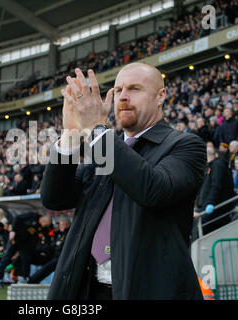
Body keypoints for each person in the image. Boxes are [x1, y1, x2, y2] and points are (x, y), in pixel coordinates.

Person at [41, 63, 207, 300]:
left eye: (134, 89)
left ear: (161, 96)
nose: (124, 97)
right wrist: (71, 135)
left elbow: (154, 190)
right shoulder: (103, 149)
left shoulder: (185, 145)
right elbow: (55, 199)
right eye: (118, 90)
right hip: (87, 289)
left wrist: (97, 129)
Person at [194, 149, 234, 237]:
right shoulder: (210, 167)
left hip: (215, 208)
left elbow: (216, 185)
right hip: (205, 206)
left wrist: (210, 203)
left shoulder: (218, 165)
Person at [28, 216, 71, 284]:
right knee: (29, 256)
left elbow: (62, 246)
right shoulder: (58, 234)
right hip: (52, 256)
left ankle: (32, 281)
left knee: (48, 267)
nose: (60, 226)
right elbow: (52, 245)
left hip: (61, 258)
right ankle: (24, 276)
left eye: (62, 224)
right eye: (60, 224)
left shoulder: (69, 234)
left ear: (68, 225)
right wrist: (56, 245)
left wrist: (57, 245)